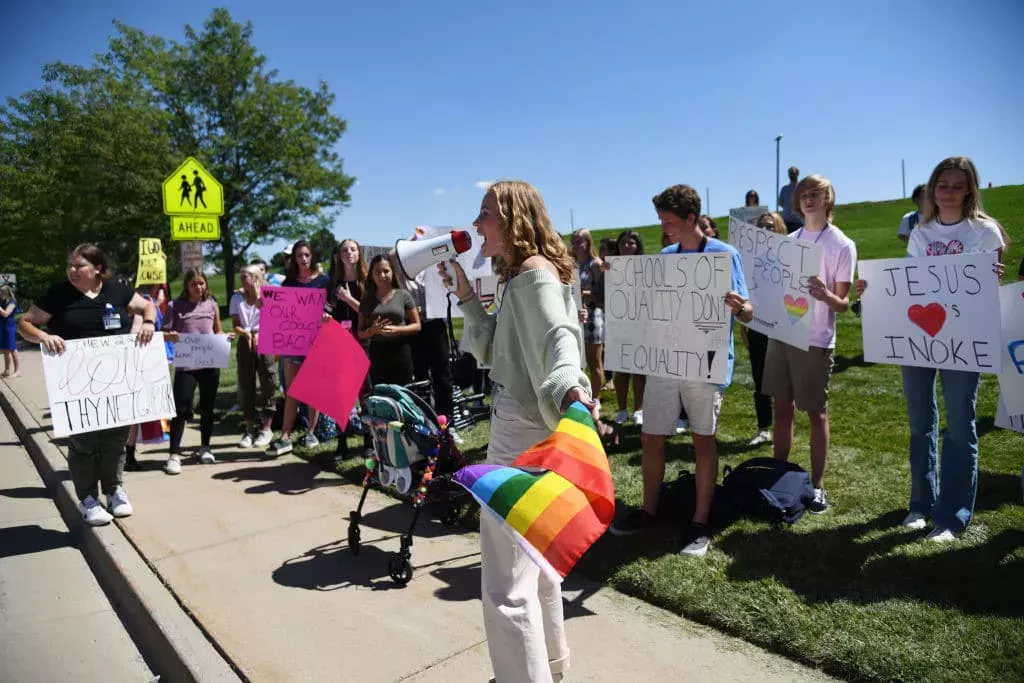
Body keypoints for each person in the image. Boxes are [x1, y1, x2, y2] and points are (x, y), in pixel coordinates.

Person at [439, 179, 595, 683]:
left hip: (518, 433)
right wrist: (465, 292)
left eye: (485, 213)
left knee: (504, 581)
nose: (477, 222)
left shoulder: (532, 275)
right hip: (529, 426)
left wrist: (572, 390)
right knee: (537, 562)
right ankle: (550, 666)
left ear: (511, 220)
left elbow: (560, 341)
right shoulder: (525, 275)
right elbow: (495, 349)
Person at [855, 156, 1007, 541]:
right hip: (917, 339)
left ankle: (953, 515)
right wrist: (872, 292)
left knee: (959, 423)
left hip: (963, 341)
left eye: (958, 185)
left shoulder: (986, 233)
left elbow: (985, 292)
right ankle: (921, 505)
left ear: (970, 188)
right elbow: (909, 285)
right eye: (943, 185)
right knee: (921, 423)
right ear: (932, 189)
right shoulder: (921, 232)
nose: (950, 192)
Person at [609, 184, 753, 557]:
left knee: (703, 439)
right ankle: (649, 510)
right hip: (665, 361)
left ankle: (701, 521)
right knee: (651, 436)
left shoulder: (725, 254)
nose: (664, 227)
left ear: (691, 219)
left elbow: (749, 311)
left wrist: (740, 308)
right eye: (661, 220)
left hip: (705, 363)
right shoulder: (666, 256)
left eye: (669, 221)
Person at [17, 244, 157, 525]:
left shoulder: (116, 290)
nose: (72, 270)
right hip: (77, 381)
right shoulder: (58, 294)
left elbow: (146, 305)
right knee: (84, 443)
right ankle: (88, 498)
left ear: (98, 269)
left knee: (116, 439)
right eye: (70, 264)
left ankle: (115, 489)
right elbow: (26, 323)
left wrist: (149, 323)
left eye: (79, 265)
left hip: (117, 378)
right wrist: (43, 337)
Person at [763, 174, 856, 514]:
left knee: (816, 413)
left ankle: (817, 486)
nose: (808, 198)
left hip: (816, 340)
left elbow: (844, 304)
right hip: (783, 333)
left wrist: (825, 294)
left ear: (829, 199)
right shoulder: (790, 241)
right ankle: (778, 475)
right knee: (781, 408)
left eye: (816, 193)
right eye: (804, 193)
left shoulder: (842, 244)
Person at [267, 240, 329, 456]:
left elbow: (330, 309)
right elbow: (280, 313)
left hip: (316, 341)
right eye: (299, 256)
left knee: (313, 390)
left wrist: (325, 317)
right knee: (292, 389)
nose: (303, 259)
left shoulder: (323, 282)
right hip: (293, 342)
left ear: (312, 257)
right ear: (294, 259)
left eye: (306, 255)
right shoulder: (288, 284)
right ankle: (286, 435)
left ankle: (312, 432)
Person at [164, 268, 229, 473]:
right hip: (186, 363)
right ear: (187, 285)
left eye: (202, 283)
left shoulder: (212, 304)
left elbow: (217, 329)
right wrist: (171, 335)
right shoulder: (175, 306)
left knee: (208, 407)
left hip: (210, 361)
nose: (199, 287)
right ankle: (174, 454)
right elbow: (165, 333)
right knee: (181, 408)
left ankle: (205, 447)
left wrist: (224, 337)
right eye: (194, 284)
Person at [740, 212, 788, 446]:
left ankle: (784, 425)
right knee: (760, 379)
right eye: (761, 227)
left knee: (783, 380)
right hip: (757, 326)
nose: (765, 230)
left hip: (783, 325)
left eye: (770, 226)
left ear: (779, 228)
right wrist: (743, 328)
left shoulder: (790, 257)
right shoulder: (750, 259)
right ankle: (763, 428)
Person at [231, 265, 276, 450]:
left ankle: (266, 428)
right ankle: (249, 430)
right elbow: (235, 324)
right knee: (246, 383)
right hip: (245, 342)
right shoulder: (237, 298)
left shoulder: (267, 296)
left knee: (268, 381)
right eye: (241, 277)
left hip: (264, 339)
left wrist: (259, 332)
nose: (242, 280)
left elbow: (274, 319)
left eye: (246, 277)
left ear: (256, 278)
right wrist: (245, 332)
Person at [359, 255, 421, 385]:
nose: (382, 275)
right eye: (377, 272)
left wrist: (396, 330)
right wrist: (372, 331)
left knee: (403, 394)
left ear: (392, 272)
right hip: (377, 354)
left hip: (401, 351)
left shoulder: (403, 295)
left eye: (386, 271)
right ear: (371, 275)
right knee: (381, 396)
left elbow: (417, 325)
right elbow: (360, 333)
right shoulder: (366, 300)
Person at [612, 230, 646, 426]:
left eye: (631, 243)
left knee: (639, 369)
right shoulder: (611, 267)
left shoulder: (647, 267)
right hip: (619, 324)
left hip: (640, 324)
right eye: (623, 243)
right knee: (620, 369)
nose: (627, 246)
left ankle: (639, 409)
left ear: (637, 246)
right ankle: (622, 408)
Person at [571, 229, 605, 398]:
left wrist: (580, 292)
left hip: (593, 317)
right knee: (577, 363)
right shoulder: (571, 264)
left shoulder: (595, 264)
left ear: (588, 242)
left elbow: (602, 296)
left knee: (594, 362)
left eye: (580, 241)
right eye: (574, 242)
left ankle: (596, 398)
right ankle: (582, 396)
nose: (576, 245)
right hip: (575, 318)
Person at [0, 284, 21, 377]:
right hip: (2, 327)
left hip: (9, 327)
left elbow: (5, 314)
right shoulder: (2, 301)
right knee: (5, 350)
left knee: (13, 349)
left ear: (6, 292)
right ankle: (7, 370)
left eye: (1, 292)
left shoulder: (12, 302)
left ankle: (17, 371)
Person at [779, 166, 802, 233]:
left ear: (797, 174)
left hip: (799, 221)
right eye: (791, 173)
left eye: (794, 173)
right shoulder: (784, 188)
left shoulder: (802, 187)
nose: (792, 175)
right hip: (786, 221)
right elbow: (781, 203)